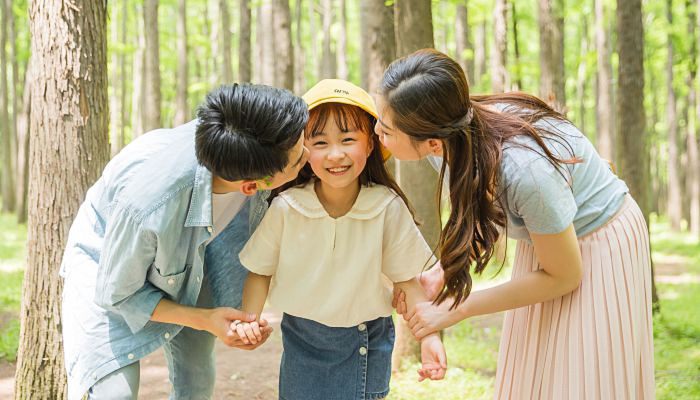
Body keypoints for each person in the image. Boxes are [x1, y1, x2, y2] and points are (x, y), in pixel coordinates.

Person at [381, 49, 654, 399]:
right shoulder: (448, 144)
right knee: (538, 374)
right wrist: (443, 274)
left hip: (599, 242)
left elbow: (565, 275)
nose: (377, 133)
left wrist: (457, 308)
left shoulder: (525, 171)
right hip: (547, 237)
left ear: (432, 140)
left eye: (386, 130)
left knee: (583, 377)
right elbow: (487, 209)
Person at [60, 84, 310, 400]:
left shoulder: (249, 138)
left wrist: (243, 318)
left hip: (195, 255)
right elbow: (117, 292)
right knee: (114, 392)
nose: (310, 157)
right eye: (299, 160)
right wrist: (203, 318)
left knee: (197, 381)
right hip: (109, 263)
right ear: (252, 187)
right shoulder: (149, 204)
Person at [232, 79, 447, 400]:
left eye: (348, 139)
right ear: (302, 150)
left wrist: (429, 336)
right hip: (301, 338)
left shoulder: (386, 206)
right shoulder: (287, 207)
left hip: (366, 337)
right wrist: (249, 321)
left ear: (371, 144)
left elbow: (408, 281)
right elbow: (260, 270)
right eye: (319, 143)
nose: (335, 154)